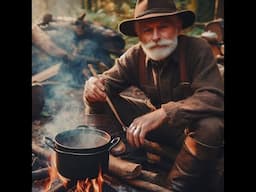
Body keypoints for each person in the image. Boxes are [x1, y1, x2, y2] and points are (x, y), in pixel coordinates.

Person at [83, 0, 224, 191]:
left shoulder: (197, 50)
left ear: (178, 27)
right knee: (99, 96)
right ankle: (122, 157)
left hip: (191, 134)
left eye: (163, 27)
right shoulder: (135, 56)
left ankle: (174, 185)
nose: (155, 37)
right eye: (147, 30)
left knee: (211, 126)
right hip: (160, 130)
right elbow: (105, 83)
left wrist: (163, 113)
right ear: (139, 35)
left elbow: (214, 97)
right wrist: (92, 85)